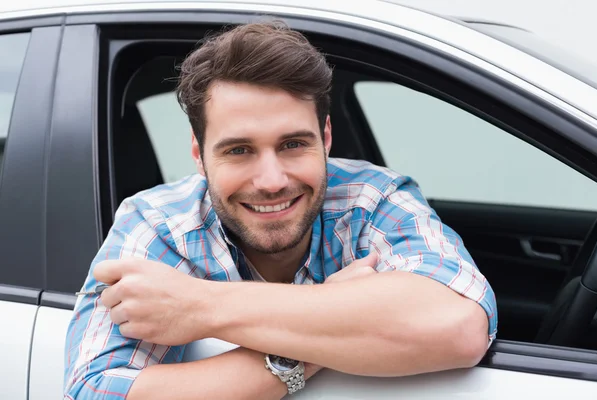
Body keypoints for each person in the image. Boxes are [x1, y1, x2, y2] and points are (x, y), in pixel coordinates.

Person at [63, 21, 497, 400]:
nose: (271, 180)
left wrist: (201, 307)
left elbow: (458, 326)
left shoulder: (372, 199)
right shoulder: (158, 225)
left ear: (325, 137)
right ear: (199, 154)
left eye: (292, 144)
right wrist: (328, 328)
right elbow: (96, 391)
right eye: (239, 150)